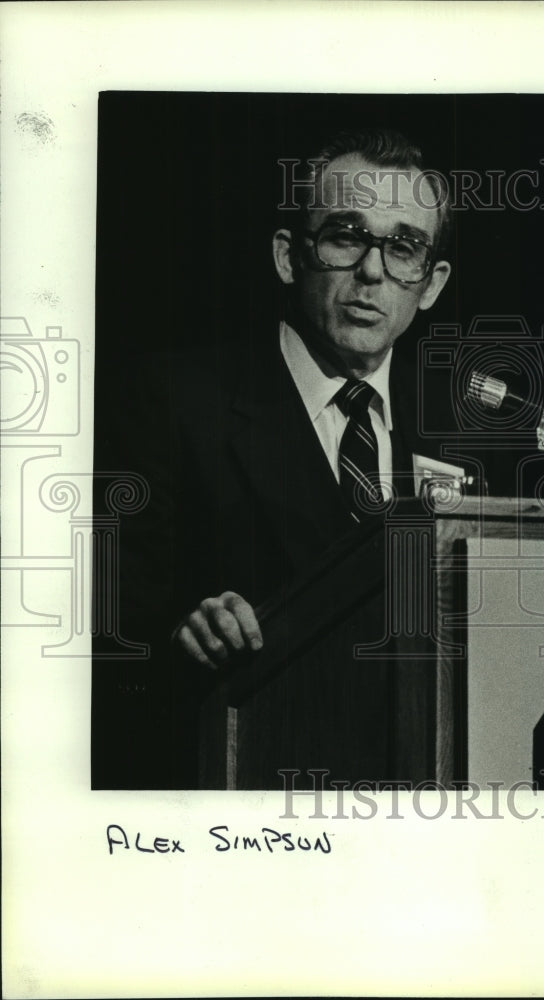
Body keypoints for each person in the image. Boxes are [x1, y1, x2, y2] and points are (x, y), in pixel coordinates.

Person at [171, 128, 454, 674]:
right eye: (346, 236)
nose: (372, 271)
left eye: (403, 247)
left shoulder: (463, 431)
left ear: (431, 284)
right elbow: (118, 629)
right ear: (289, 256)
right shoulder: (180, 404)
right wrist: (188, 631)